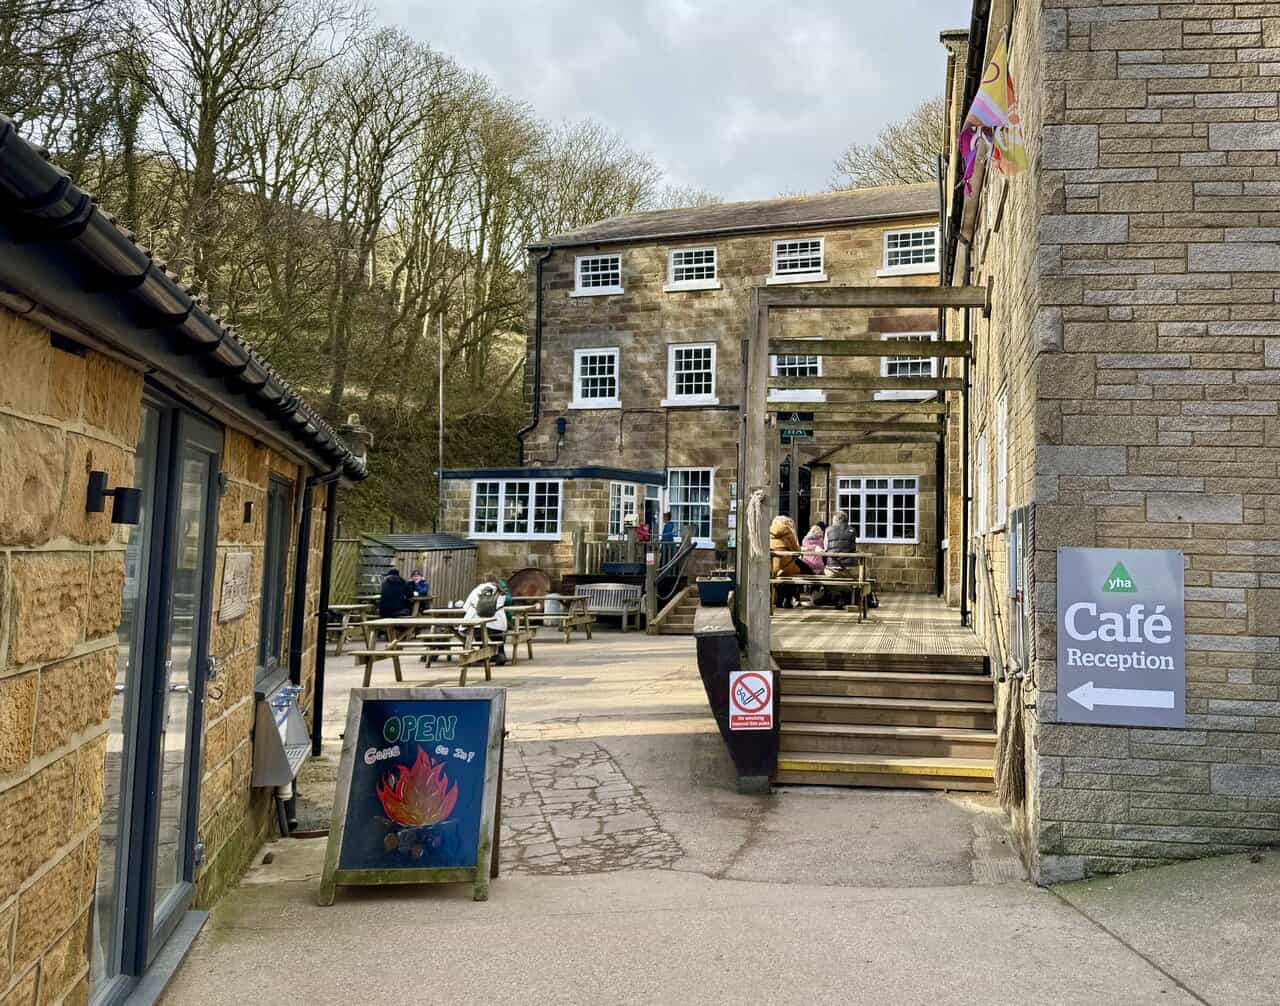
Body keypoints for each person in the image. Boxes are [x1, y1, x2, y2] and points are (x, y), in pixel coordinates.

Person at [464, 571, 509, 665]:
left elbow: (465, 607)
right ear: (496, 581)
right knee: (498, 634)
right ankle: (500, 654)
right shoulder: (500, 592)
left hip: (476, 625)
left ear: (484, 580)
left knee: (475, 633)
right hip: (496, 626)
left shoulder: (476, 590)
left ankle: (482, 652)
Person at [770, 515, 805, 609]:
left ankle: (781, 599)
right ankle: (790, 598)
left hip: (772, 568)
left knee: (786, 572)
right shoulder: (788, 533)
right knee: (797, 571)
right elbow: (797, 552)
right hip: (785, 568)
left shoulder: (769, 533)